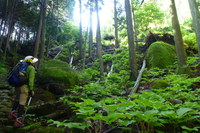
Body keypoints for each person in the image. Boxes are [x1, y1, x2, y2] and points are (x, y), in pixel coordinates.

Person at [8, 56, 38, 127]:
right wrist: (31, 90)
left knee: (17, 99)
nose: (35, 63)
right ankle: (18, 120)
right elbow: (31, 81)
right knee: (22, 102)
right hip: (24, 87)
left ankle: (12, 114)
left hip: (17, 86)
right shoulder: (31, 68)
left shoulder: (21, 65)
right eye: (34, 62)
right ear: (31, 61)